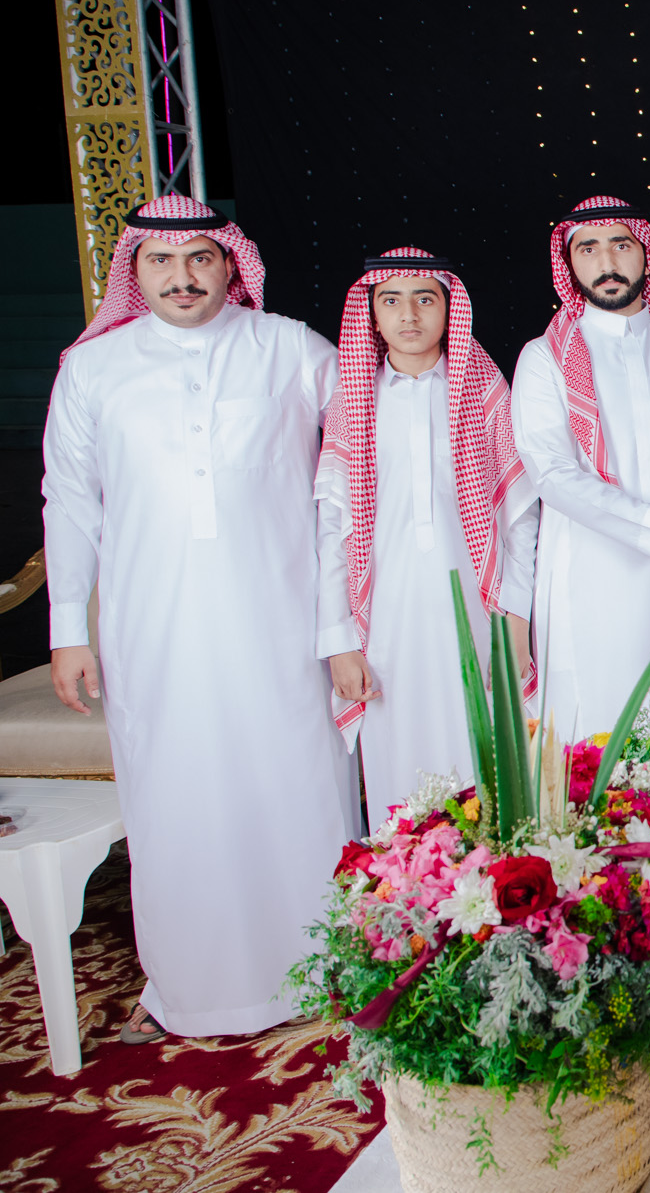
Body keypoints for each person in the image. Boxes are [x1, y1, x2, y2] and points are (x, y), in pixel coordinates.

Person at [42, 194, 358, 1041]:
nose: (181, 277)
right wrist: (68, 627)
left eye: (199, 259)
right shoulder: (93, 370)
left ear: (229, 264)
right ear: (134, 271)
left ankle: (325, 968)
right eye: (160, 261)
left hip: (281, 624)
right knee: (174, 797)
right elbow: (70, 500)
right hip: (154, 629)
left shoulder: (290, 348)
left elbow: (368, 442)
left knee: (294, 786)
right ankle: (187, 987)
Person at [315, 248, 540, 823]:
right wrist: (339, 642)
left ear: (449, 309)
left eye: (425, 299)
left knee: (487, 778)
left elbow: (520, 518)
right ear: (371, 313)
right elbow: (333, 531)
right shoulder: (353, 400)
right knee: (400, 788)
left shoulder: (483, 391)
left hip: (480, 618)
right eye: (391, 300)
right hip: (383, 627)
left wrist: (516, 622)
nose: (408, 314)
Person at [511, 195, 650, 740]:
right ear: (569, 264)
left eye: (620, 245)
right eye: (588, 249)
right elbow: (554, 477)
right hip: (589, 580)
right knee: (595, 746)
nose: (606, 262)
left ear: (646, 254)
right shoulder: (543, 357)